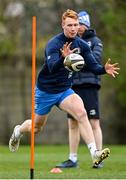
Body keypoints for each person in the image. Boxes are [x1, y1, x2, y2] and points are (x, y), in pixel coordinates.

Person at [9, 9, 119, 167]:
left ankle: (94, 153)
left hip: (64, 90)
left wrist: (103, 70)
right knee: (36, 128)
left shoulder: (81, 44)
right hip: (46, 91)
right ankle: (18, 131)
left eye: (76, 24)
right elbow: (53, 67)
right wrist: (63, 57)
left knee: (81, 113)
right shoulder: (54, 44)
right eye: (70, 25)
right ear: (63, 25)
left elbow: (93, 65)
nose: (74, 28)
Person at [56, 11, 105, 169]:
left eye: (80, 24)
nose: (78, 27)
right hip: (72, 86)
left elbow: (95, 61)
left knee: (94, 121)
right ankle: (73, 159)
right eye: (75, 24)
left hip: (89, 84)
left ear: (86, 25)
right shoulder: (71, 41)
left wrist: (75, 60)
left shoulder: (94, 41)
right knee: (72, 123)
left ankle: (98, 158)